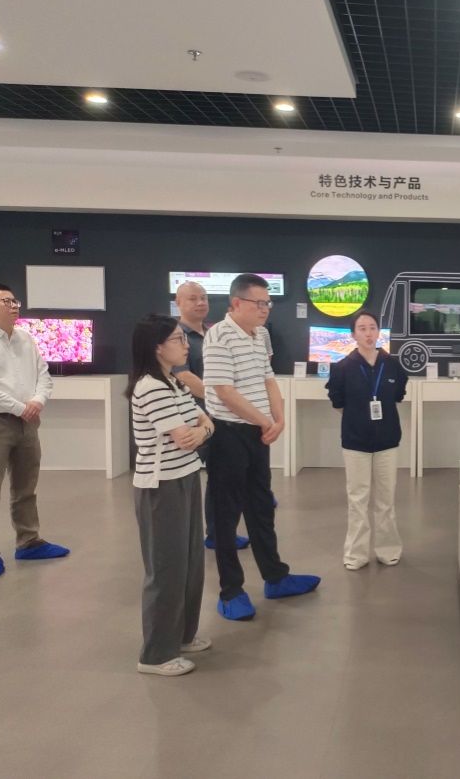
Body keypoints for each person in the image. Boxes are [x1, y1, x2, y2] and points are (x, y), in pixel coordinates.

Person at [203, 273, 318, 620]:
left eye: (268, 303)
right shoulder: (218, 336)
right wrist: (266, 422)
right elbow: (224, 392)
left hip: (257, 434)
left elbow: (269, 380)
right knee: (226, 516)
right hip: (228, 435)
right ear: (237, 303)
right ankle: (231, 591)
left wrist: (278, 419)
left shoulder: (260, 335)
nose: (265, 309)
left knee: (261, 506)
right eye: (259, 303)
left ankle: (275, 576)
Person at [127, 314, 213, 676]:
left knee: (191, 563)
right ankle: (156, 655)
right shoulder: (150, 387)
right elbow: (183, 437)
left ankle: (182, 636)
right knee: (166, 568)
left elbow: (204, 422)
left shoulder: (175, 383)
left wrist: (202, 430)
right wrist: (200, 430)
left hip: (187, 476)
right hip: (161, 486)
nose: (185, 344)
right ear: (157, 347)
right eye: (178, 339)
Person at [0, 284, 69, 581]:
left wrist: (37, 401)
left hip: (27, 422)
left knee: (26, 487)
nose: (14, 306)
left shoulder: (26, 338)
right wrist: (20, 407)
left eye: (15, 301)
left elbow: (43, 375)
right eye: (6, 301)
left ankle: (29, 542)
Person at [171, 281, 250, 551]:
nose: (201, 302)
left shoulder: (214, 333)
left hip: (221, 419)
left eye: (203, 297)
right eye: (193, 298)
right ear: (178, 303)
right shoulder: (176, 336)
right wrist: (223, 398)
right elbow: (183, 375)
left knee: (222, 479)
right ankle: (185, 538)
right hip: (192, 418)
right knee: (187, 481)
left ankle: (219, 534)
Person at [327, 310, 408, 570]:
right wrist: (359, 417)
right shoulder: (342, 368)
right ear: (353, 334)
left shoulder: (392, 365)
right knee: (357, 499)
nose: (368, 333)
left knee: (386, 499)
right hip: (355, 442)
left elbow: (398, 395)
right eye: (362, 328)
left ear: (378, 332)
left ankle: (388, 549)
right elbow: (337, 402)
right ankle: (356, 554)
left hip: (387, 440)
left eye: (372, 327)